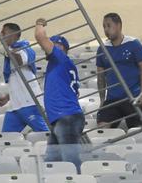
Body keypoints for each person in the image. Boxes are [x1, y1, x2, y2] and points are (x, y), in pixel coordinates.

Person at [34, 18, 84, 173]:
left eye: (58, 44)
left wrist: (39, 24)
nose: (53, 45)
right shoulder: (61, 65)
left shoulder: (60, 58)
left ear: (64, 49)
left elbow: (40, 37)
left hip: (66, 117)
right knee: (52, 162)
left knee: (71, 162)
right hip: (62, 118)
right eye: (53, 43)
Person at [96, 13, 142, 129]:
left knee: (140, 129)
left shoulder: (134, 44)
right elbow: (100, 76)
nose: (106, 29)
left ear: (119, 25)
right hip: (112, 99)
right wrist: (102, 99)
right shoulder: (102, 48)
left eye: (109, 26)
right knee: (102, 130)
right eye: (104, 26)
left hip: (132, 97)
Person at [0, 23, 49, 132]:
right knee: (7, 139)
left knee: (45, 134)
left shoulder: (24, 48)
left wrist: (7, 51)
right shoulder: (11, 50)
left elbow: (20, 60)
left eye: (4, 32)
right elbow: (19, 80)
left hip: (29, 104)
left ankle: (61, 148)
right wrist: (8, 97)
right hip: (15, 106)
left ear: (13, 35)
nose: (1, 34)